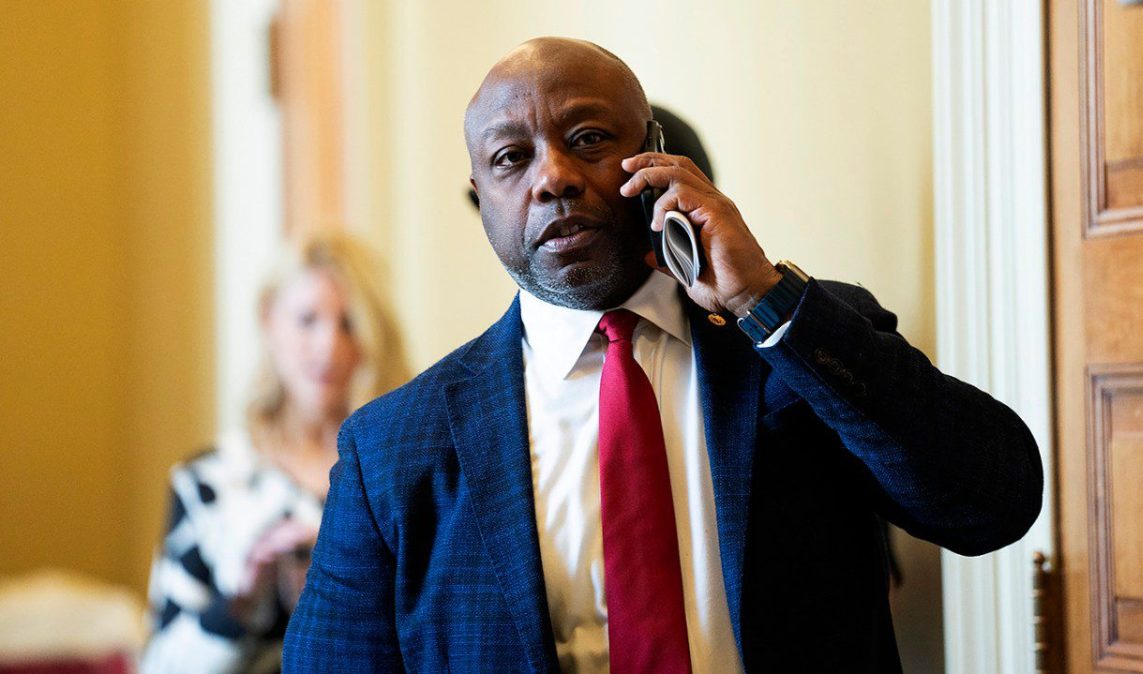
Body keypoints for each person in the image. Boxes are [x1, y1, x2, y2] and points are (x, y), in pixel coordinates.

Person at [284, 38, 1043, 672]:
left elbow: (993, 503)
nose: (554, 178)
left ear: (654, 155)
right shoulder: (394, 448)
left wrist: (765, 300)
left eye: (588, 139)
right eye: (512, 158)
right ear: (481, 197)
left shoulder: (796, 340)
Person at [142, 230, 405, 674]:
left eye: (349, 323)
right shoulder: (210, 482)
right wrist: (240, 604)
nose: (329, 346)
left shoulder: (402, 474)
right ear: (268, 321)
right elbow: (160, 664)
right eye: (307, 320)